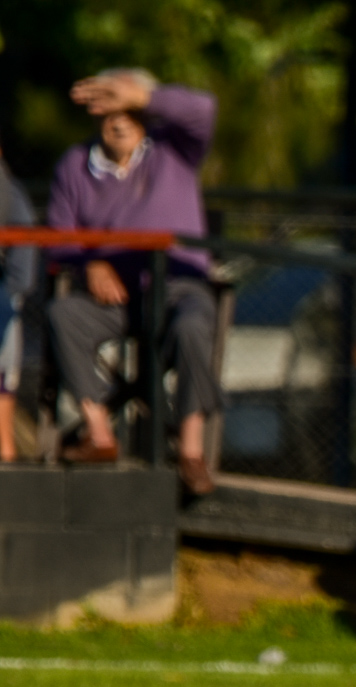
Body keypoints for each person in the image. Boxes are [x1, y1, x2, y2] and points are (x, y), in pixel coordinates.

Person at [45, 69, 224, 494]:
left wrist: (144, 94)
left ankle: (191, 451)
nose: (119, 120)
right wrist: (88, 262)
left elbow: (204, 110)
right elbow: (58, 236)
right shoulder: (74, 165)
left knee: (192, 326)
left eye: (129, 110)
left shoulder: (174, 150)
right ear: (96, 115)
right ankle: (99, 434)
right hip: (115, 298)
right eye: (110, 110)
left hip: (179, 286)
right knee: (63, 315)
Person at [0, 144, 38, 463]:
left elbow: (21, 269)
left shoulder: (8, 191)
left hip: (2, 295)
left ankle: (6, 449)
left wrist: (11, 294)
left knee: (5, 311)